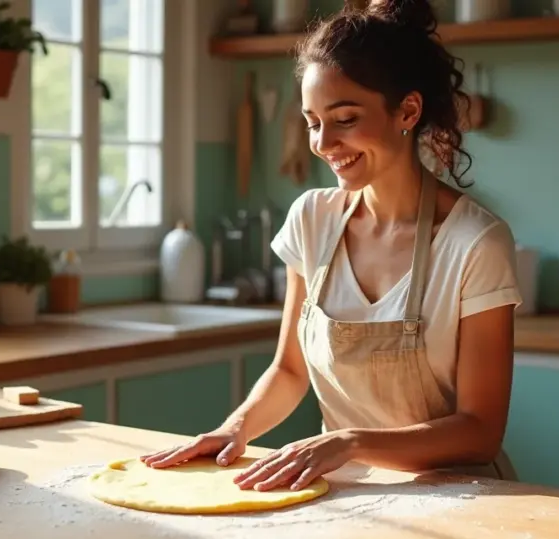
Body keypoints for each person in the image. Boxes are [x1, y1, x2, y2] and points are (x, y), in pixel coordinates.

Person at [141, 0, 522, 492]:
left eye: (343, 119)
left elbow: (480, 432)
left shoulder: (475, 243)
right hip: (348, 495)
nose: (322, 143)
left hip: (459, 499)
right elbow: (289, 369)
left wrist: (349, 441)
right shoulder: (312, 219)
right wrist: (231, 430)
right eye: (312, 121)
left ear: (407, 110)